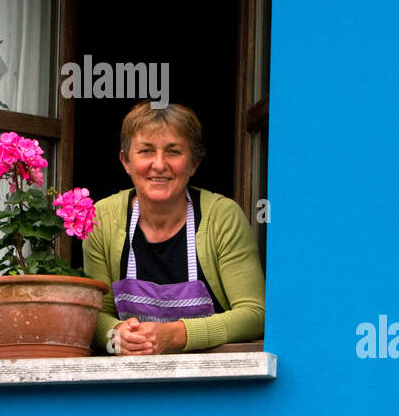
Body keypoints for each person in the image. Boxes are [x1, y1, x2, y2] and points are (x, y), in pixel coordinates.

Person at [83, 101, 265, 355]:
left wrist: (177, 335)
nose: (159, 164)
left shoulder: (222, 216)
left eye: (174, 151)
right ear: (126, 161)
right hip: (129, 384)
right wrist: (116, 337)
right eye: (146, 151)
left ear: (194, 163)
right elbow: (92, 315)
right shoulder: (102, 218)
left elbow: (254, 314)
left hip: (215, 383)